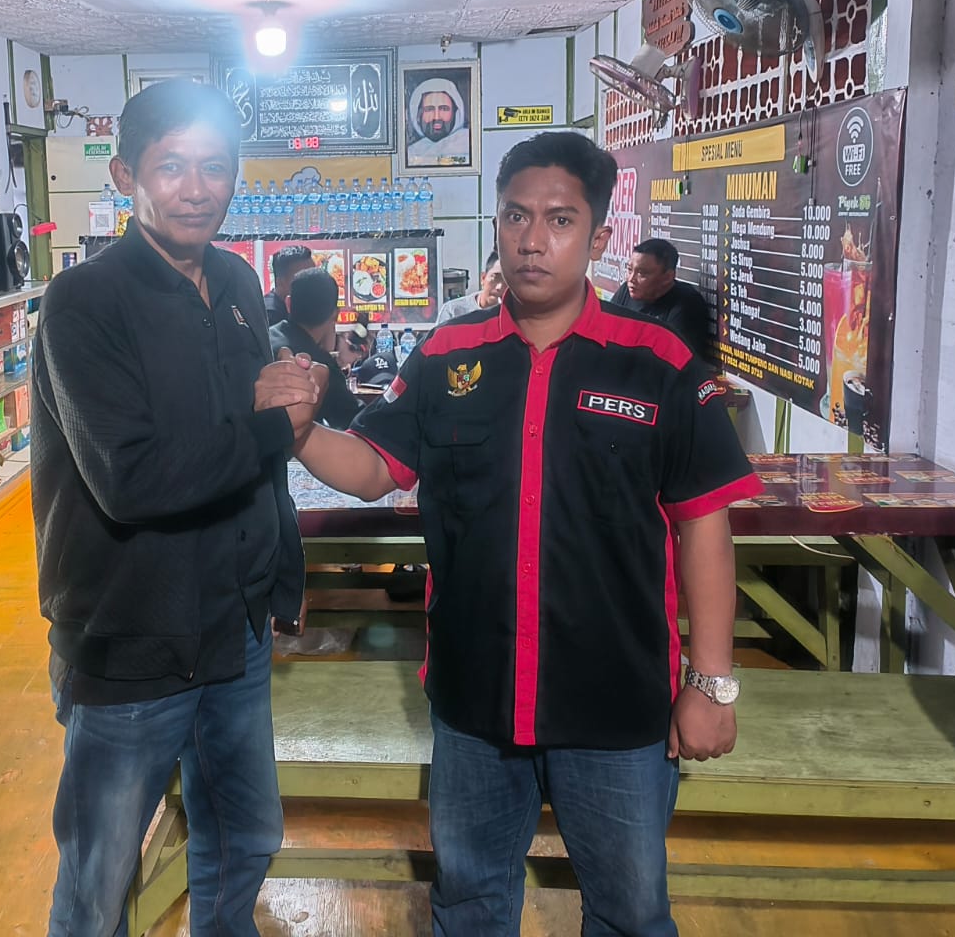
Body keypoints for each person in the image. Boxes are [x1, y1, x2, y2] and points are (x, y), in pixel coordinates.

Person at [279, 129, 759, 937]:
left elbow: (704, 527)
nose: (533, 240)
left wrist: (711, 685)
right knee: (468, 906)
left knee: (631, 914)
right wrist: (298, 432)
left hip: (615, 707)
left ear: (599, 237)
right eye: (515, 216)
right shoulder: (445, 356)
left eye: (560, 220)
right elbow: (371, 467)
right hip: (476, 702)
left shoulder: (660, 363)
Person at [31, 78, 321, 937]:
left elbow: (256, 454)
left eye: (214, 167)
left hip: (235, 627)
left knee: (243, 834)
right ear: (126, 175)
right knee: (100, 876)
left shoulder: (234, 281)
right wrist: (272, 425)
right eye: (171, 167)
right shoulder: (85, 303)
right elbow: (132, 479)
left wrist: (281, 575)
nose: (196, 189)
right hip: (133, 637)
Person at [269, 268, 361, 430]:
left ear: (288, 304)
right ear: (335, 314)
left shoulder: (265, 338)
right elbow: (354, 422)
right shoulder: (319, 365)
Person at [610, 237, 717, 366]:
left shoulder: (686, 305)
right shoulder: (627, 290)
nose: (631, 279)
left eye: (642, 273)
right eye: (629, 270)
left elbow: (673, 364)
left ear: (667, 277)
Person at [406, 77, 471, 167]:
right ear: (418, 115)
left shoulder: (467, 144)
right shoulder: (411, 153)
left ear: (455, 112)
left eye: (444, 109)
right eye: (429, 109)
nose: (436, 117)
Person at [434, 250, 505, 325]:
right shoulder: (453, 310)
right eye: (495, 278)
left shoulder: (510, 316)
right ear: (483, 278)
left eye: (507, 282)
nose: (499, 287)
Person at [263, 244, 315, 327]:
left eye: (315, 275)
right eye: (304, 278)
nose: (313, 283)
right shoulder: (270, 316)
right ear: (280, 282)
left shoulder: (300, 306)